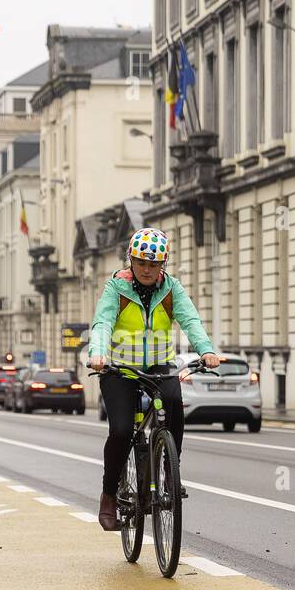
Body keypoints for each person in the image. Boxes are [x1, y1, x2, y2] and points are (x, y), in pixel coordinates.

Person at [87, 227, 220, 531]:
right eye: (141, 263)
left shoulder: (172, 290)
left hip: (160, 365)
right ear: (130, 260)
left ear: (163, 264)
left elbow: (191, 321)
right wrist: (99, 354)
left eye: (154, 264)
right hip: (119, 368)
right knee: (121, 431)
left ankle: (170, 470)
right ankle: (108, 496)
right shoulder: (115, 289)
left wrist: (207, 350)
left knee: (173, 400)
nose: (147, 270)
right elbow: (102, 323)